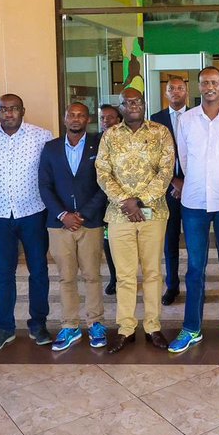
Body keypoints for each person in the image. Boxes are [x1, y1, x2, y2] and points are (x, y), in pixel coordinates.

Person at [170, 67, 219, 353]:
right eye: (204, 83)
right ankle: (191, 327)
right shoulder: (187, 120)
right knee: (194, 268)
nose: (209, 87)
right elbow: (183, 158)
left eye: (214, 82)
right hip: (193, 204)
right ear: (199, 86)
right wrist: (196, 184)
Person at [95, 88, 175, 353]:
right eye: (128, 103)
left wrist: (139, 202)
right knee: (125, 275)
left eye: (137, 101)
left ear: (144, 103)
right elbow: (103, 173)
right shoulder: (110, 135)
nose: (133, 106)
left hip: (154, 213)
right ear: (121, 107)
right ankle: (126, 328)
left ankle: (153, 326)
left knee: (153, 272)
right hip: (119, 215)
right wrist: (125, 202)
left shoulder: (160, 132)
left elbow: (166, 171)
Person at [0, 94, 54, 353]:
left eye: (13, 109)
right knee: (3, 274)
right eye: (3, 109)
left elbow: (49, 171)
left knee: (39, 270)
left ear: (23, 110)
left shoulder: (42, 136)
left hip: (33, 212)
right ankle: (5, 328)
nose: (8, 113)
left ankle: (38, 324)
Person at [39, 103, 108, 351]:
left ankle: (96, 323)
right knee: (66, 277)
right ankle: (70, 326)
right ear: (64, 118)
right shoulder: (51, 148)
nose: (75, 119)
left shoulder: (99, 145)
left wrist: (84, 213)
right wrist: (62, 215)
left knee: (92, 276)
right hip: (59, 225)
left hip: (90, 222)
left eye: (80, 115)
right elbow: (44, 185)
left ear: (88, 119)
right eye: (71, 115)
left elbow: (105, 183)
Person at [150, 75, 188, 305]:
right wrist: (174, 181)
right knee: (170, 241)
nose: (175, 92)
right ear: (165, 93)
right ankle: (172, 286)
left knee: (195, 242)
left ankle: (196, 284)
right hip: (167, 190)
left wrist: (187, 182)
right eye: (171, 88)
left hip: (193, 190)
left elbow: (200, 154)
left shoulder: (197, 115)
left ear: (186, 91)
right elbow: (152, 158)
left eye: (180, 88)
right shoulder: (155, 120)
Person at [99, 103, 122, 296]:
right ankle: (114, 278)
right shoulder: (94, 142)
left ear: (119, 120)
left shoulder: (126, 140)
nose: (106, 121)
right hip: (105, 202)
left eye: (110, 117)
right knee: (108, 241)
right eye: (102, 118)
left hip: (129, 201)